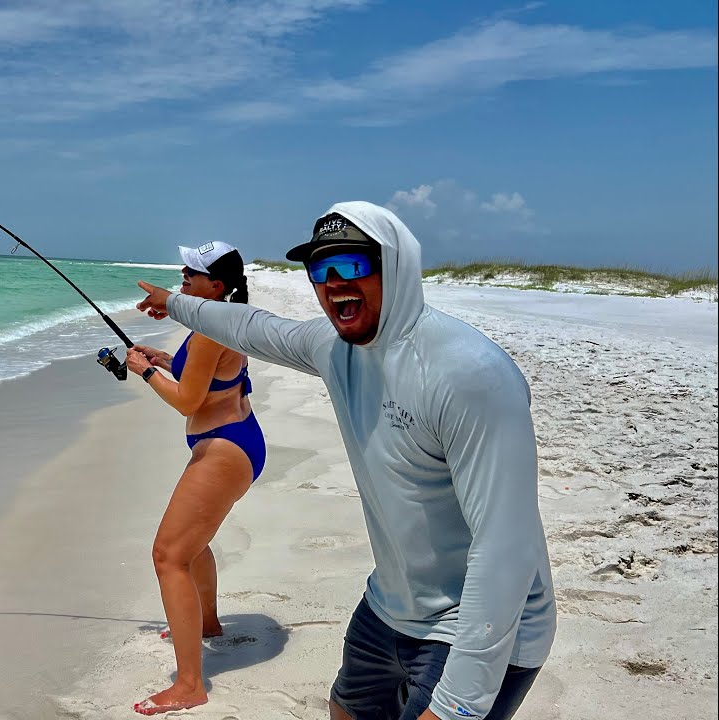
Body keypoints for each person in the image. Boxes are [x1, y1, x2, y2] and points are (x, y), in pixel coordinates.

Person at [134, 203, 556, 720]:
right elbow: (250, 325)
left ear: (396, 267)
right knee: (344, 710)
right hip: (390, 607)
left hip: (483, 628)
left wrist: (457, 707)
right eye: (320, 269)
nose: (334, 283)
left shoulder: (468, 375)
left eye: (352, 265)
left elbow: (505, 550)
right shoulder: (334, 348)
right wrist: (174, 304)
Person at [123, 241, 267, 716]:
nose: (183, 274)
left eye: (194, 271)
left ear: (217, 285)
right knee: (192, 544)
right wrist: (163, 359)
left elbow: (188, 401)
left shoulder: (209, 330)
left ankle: (189, 685)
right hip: (235, 440)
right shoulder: (219, 319)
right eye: (184, 269)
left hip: (226, 447)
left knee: (168, 556)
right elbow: (209, 378)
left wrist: (145, 373)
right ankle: (206, 622)